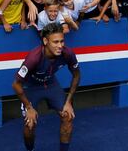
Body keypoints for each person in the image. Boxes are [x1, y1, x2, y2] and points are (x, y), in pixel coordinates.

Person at [12, 22, 80, 151]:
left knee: (68, 116)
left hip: (50, 84)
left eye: (62, 41)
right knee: (30, 124)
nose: (60, 46)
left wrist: (68, 101)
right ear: (45, 41)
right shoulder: (33, 58)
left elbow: (77, 75)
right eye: (55, 42)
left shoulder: (68, 53)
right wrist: (29, 107)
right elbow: (16, 84)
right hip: (31, 88)